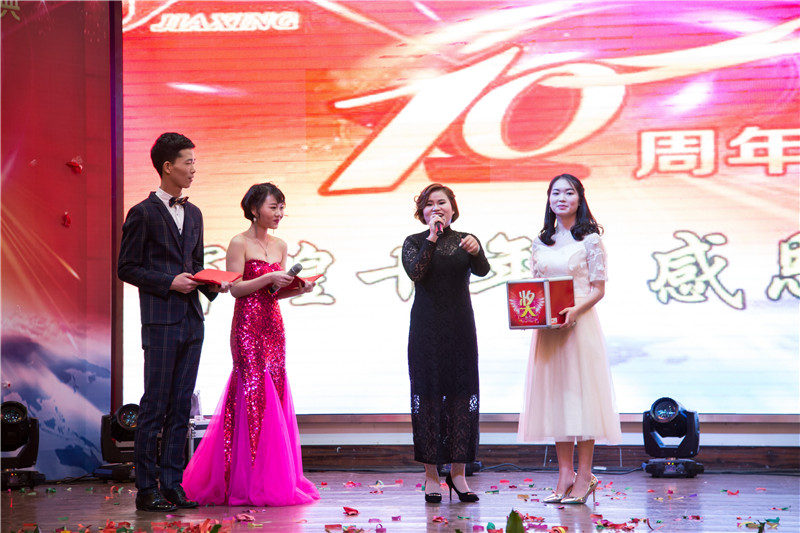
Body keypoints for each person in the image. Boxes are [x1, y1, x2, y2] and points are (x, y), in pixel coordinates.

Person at [182, 182, 320, 506]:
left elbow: (274, 294)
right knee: (252, 392)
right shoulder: (239, 242)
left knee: (274, 390)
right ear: (255, 209)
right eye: (274, 207)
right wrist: (269, 277)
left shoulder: (281, 245)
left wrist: (297, 289)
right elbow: (236, 289)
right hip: (247, 326)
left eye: (282, 208)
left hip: (273, 326)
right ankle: (243, 477)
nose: (279, 213)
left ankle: (270, 475)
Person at [118, 132, 226, 512]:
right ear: (168, 166)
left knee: (182, 406)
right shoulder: (142, 213)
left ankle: (172, 484)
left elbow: (194, 266)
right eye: (188, 162)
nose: (194, 169)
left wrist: (213, 284)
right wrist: (168, 281)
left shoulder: (195, 214)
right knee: (155, 405)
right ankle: (147, 488)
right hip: (161, 322)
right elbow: (126, 268)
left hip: (192, 320)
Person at [517, 174, 621, 505]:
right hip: (550, 332)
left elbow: (598, 289)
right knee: (557, 399)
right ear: (549, 199)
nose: (561, 198)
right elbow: (536, 288)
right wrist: (530, 315)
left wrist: (575, 311)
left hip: (579, 325)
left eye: (569, 192)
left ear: (579, 199)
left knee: (582, 398)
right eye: (555, 193)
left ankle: (585, 476)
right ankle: (564, 475)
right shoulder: (541, 241)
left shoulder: (590, 239)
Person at [401, 183, 491, 503]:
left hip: (460, 329)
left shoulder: (465, 239)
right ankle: (431, 476)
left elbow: (483, 270)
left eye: (442, 202)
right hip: (425, 331)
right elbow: (417, 272)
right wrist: (432, 237)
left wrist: (477, 251)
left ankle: (458, 474)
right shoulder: (414, 242)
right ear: (422, 212)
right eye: (429, 204)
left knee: (461, 397)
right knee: (427, 398)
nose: (436, 208)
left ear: (453, 208)